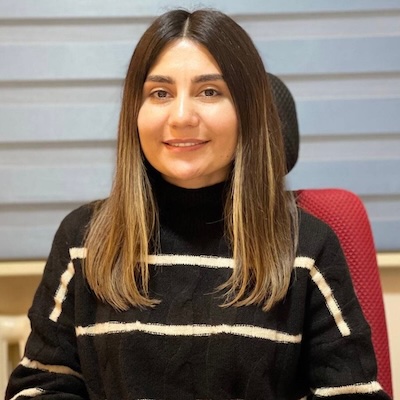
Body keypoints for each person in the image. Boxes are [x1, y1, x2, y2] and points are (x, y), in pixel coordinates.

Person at [6, 8, 391, 400]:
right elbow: (40, 386)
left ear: (248, 111)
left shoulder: (306, 247)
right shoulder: (84, 240)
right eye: (160, 93)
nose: (181, 116)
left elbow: (352, 393)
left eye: (210, 92)